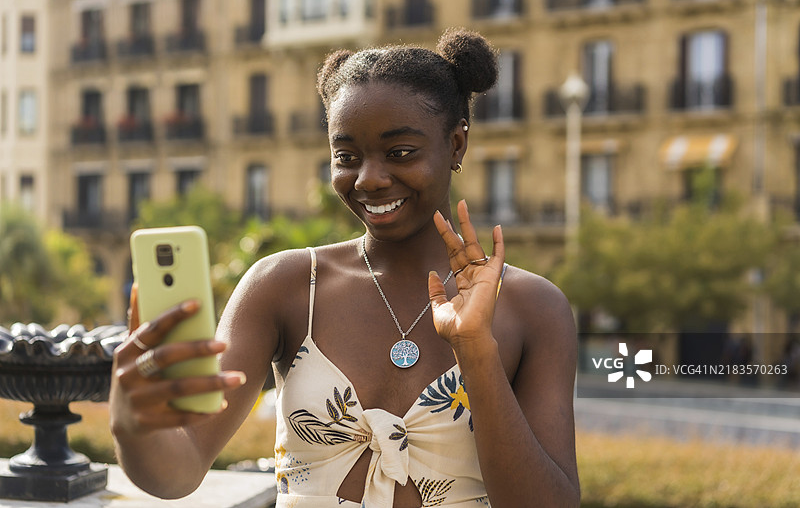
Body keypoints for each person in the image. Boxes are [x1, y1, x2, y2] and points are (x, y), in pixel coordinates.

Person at [110, 28, 580, 508]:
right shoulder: (285, 288)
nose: (369, 179)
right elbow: (178, 471)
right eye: (346, 157)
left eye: (400, 153)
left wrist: (476, 351)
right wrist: (132, 424)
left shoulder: (533, 308)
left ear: (456, 145)